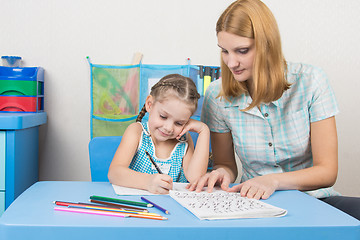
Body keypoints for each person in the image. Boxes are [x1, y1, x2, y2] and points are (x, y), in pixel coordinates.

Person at [187, 0, 360, 220]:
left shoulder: (311, 81)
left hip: (316, 199)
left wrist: (274, 181)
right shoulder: (217, 95)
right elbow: (226, 165)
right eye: (224, 51)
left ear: (267, 45)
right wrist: (221, 173)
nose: (231, 63)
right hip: (257, 203)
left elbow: (327, 171)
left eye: (242, 51)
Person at [108, 74, 210, 194]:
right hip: (140, 207)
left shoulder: (184, 141)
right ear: (150, 104)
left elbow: (195, 178)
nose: (168, 128)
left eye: (179, 123)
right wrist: (147, 182)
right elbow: (114, 173)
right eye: (163, 116)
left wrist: (204, 131)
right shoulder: (137, 132)